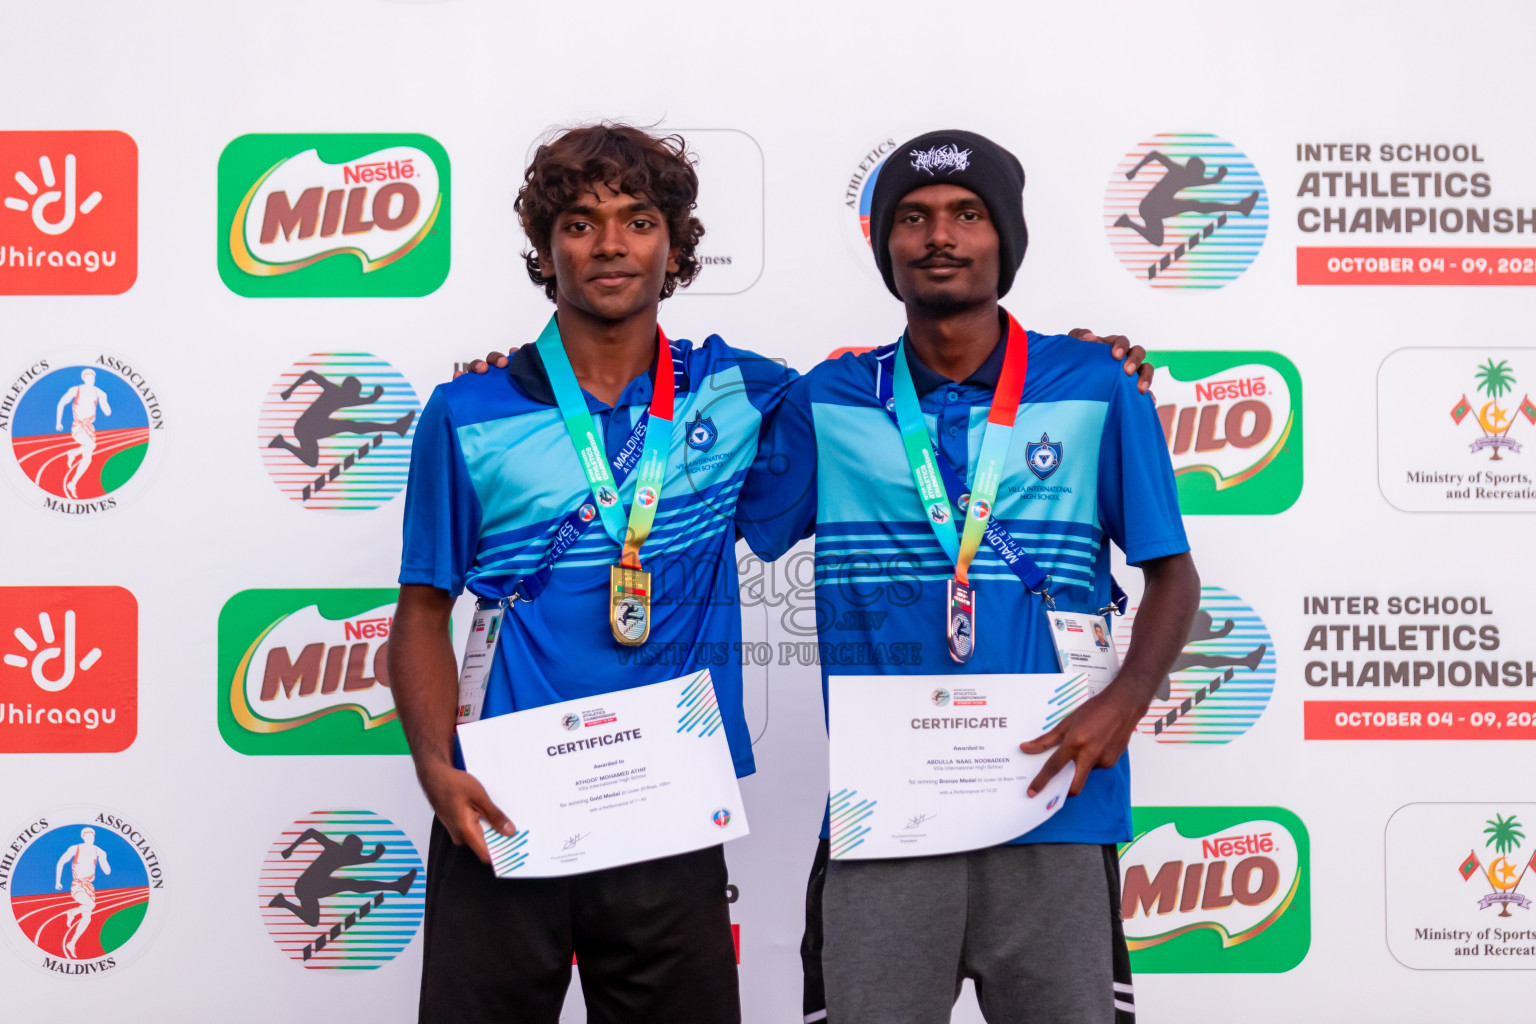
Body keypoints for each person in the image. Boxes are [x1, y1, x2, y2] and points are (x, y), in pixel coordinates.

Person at [739, 129, 1201, 1024]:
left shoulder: (1097, 384)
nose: (939, 236)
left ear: (1006, 239)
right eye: (913, 218)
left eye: (967, 214)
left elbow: (1172, 576)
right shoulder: (829, 400)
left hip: (1054, 806)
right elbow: (738, 510)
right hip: (884, 817)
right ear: (885, 246)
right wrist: (529, 379)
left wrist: (1126, 699)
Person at [391, 123, 804, 1024]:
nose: (610, 245)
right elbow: (422, 610)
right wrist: (434, 767)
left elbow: (913, 397)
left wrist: (1094, 359)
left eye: (638, 219)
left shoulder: (743, 394)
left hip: (668, 804)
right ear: (545, 249)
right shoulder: (468, 408)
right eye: (579, 222)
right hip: (498, 803)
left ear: (676, 245)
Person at [54, 368, 111, 500]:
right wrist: (58, 422)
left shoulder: (98, 392)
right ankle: (72, 453)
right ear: (84, 378)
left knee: (88, 459)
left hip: (90, 428)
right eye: (88, 377)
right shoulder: (76, 390)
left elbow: (107, 412)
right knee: (91, 446)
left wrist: (104, 399)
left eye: (93, 377)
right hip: (78, 426)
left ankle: (72, 484)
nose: (91, 379)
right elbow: (61, 403)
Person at [53, 825, 110, 959]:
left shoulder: (99, 851)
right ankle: (71, 912)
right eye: (88, 835)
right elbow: (61, 863)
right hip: (77, 885)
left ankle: (71, 943)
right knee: (90, 905)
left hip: (89, 887)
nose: (90, 838)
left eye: (92, 836)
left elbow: (107, 871)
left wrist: (103, 858)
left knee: (87, 918)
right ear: (83, 837)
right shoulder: (75, 848)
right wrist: (58, 882)